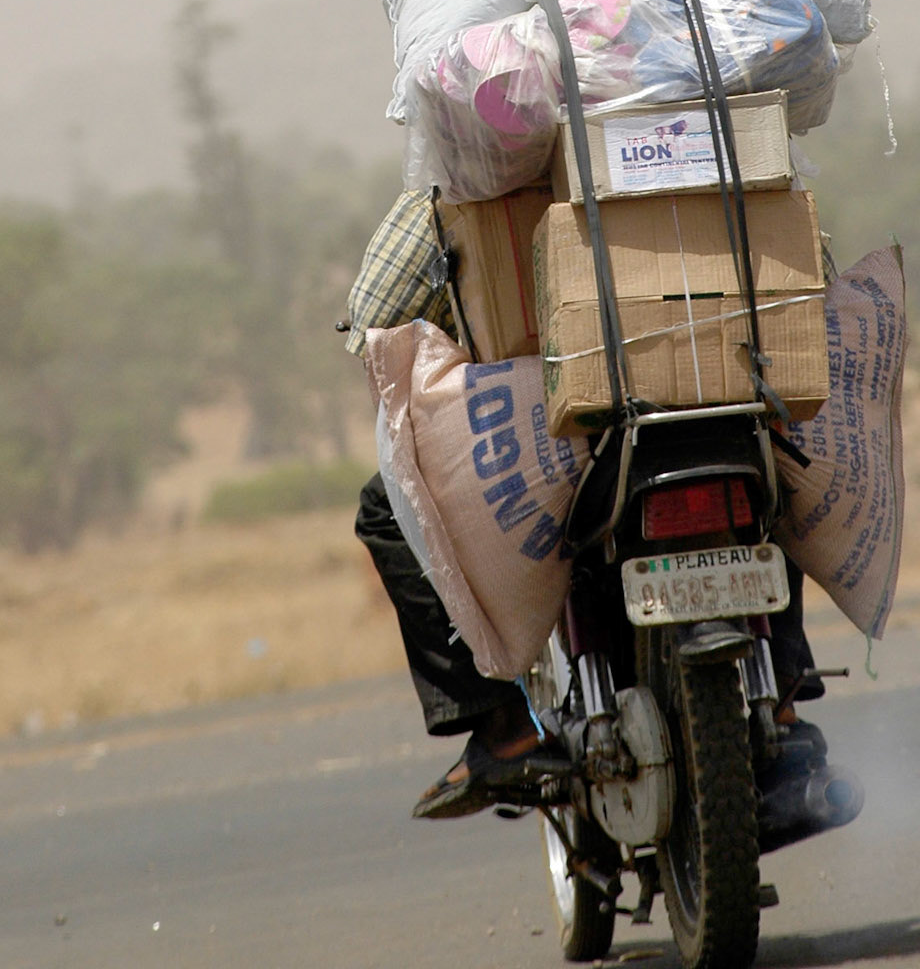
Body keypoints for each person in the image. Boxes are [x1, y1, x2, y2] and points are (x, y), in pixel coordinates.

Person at [348, 192, 833, 821]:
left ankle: (504, 728)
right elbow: (812, 265)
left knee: (384, 509)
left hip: (559, 417)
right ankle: (784, 694)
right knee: (772, 444)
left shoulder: (469, 172)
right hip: (713, 373)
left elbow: (374, 321)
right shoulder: (701, 133)